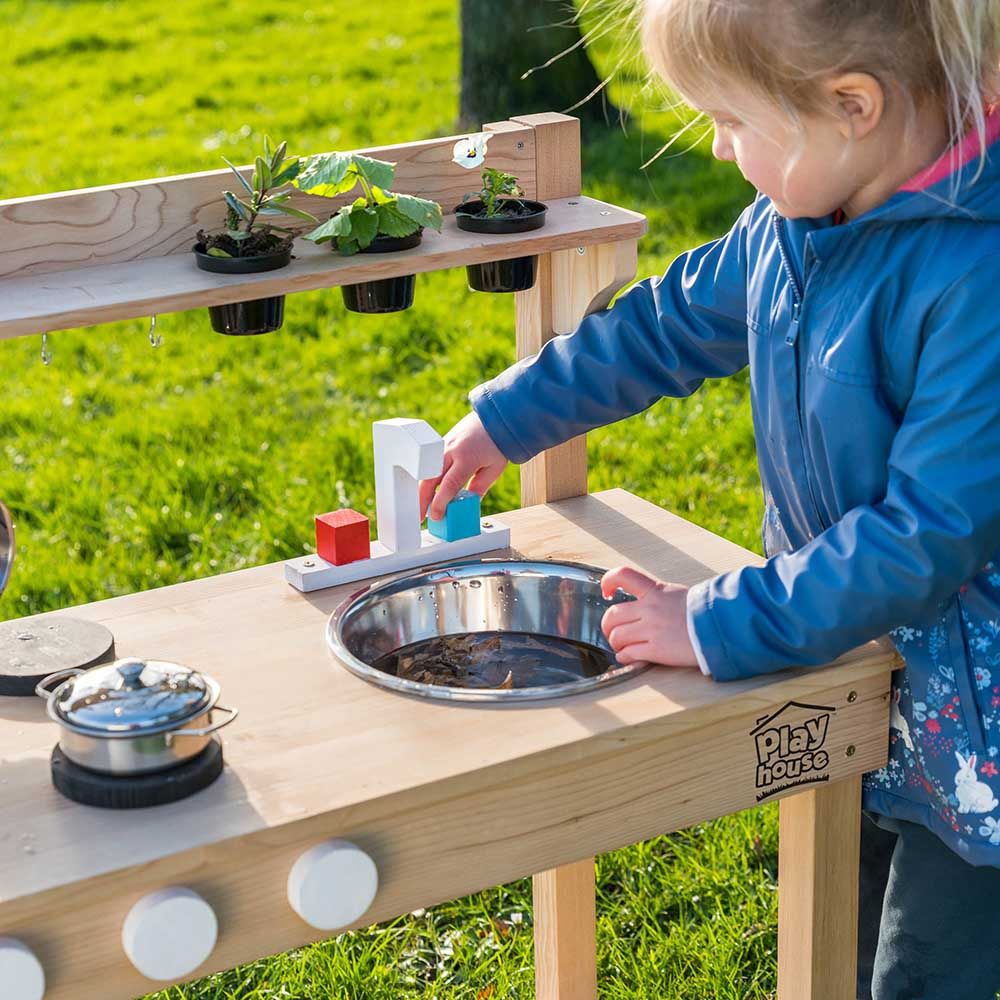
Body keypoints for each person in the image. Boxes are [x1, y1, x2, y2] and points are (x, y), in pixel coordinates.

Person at [420, 1, 1000, 995]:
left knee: (926, 970)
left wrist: (713, 619)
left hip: (981, 732)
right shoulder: (790, 225)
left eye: (732, 125)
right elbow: (661, 328)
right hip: (861, 658)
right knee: (840, 925)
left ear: (851, 105)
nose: (723, 153)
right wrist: (510, 417)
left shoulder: (977, 275)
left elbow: (926, 535)